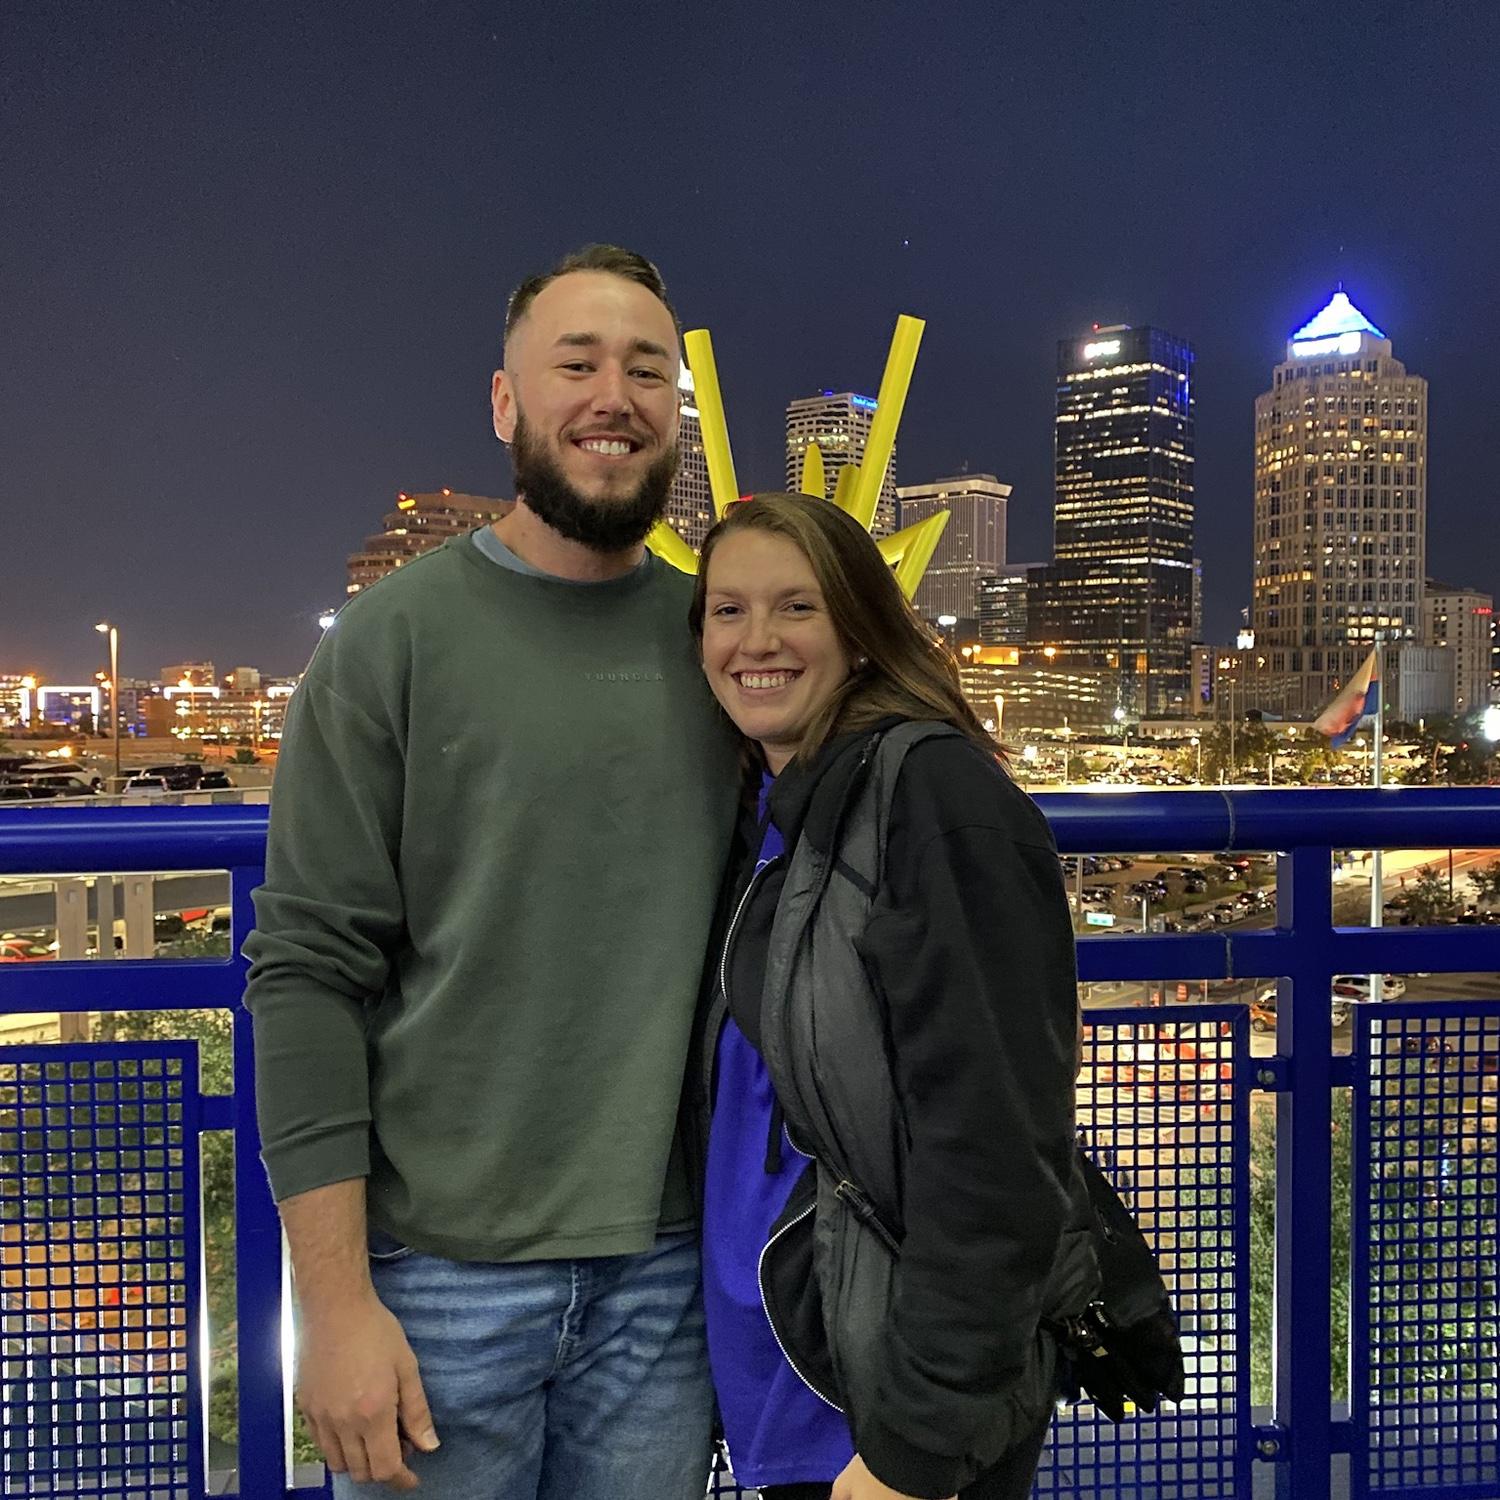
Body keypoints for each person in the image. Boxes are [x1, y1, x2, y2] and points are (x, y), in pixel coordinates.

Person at [243, 245, 740, 1498]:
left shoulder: (727, 644)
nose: (613, 396)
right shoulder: (388, 642)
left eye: (646, 368)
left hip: (671, 1278)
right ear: (507, 404)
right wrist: (333, 1307)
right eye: (574, 364)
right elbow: (306, 977)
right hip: (435, 1282)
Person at [687, 493, 1098, 1500]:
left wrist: (915, 1446)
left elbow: (995, 1144)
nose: (758, 640)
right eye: (726, 610)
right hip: (790, 1365)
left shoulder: (935, 800)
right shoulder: (770, 812)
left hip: (884, 1409)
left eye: (798, 607)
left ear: (862, 630)